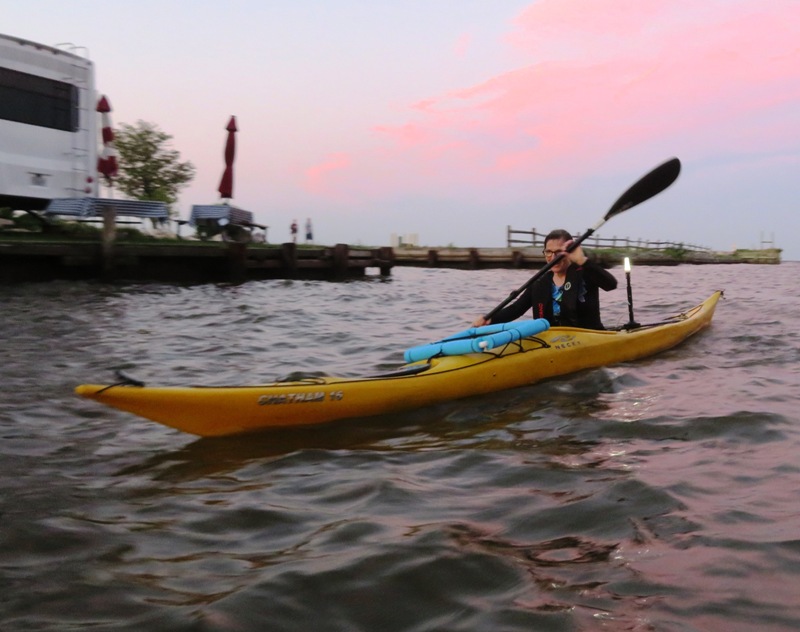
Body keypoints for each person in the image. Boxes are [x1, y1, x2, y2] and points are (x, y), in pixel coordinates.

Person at [473, 229, 617, 330]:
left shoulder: (585, 273)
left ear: (569, 253)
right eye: (548, 252)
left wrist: (581, 260)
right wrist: (490, 319)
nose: (552, 258)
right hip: (550, 340)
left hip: (587, 337)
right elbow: (516, 309)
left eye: (558, 252)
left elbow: (611, 284)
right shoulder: (539, 282)